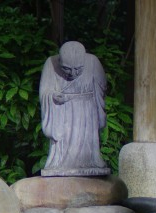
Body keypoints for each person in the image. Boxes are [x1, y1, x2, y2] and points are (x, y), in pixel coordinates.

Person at [39, 41, 109, 176]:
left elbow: (102, 87)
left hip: (87, 112)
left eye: (78, 69)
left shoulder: (93, 62)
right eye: (66, 69)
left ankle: (90, 161)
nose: (73, 73)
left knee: (86, 142)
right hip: (62, 111)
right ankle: (59, 163)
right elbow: (44, 91)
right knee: (63, 147)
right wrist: (53, 96)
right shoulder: (51, 63)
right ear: (59, 61)